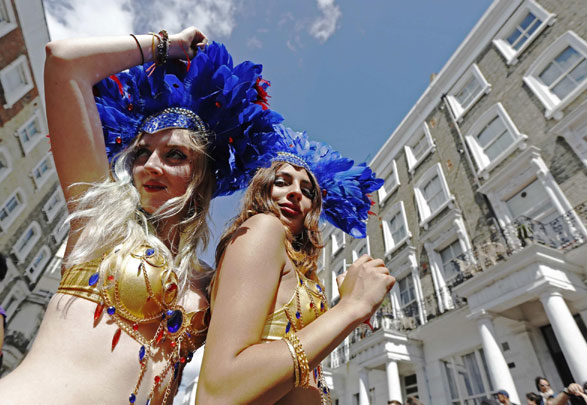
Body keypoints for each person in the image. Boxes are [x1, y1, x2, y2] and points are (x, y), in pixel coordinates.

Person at [0, 28, 283, 404]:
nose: (149, 166)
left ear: (202, 177)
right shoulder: (100, 221)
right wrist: (168, 46)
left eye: (175, 156)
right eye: (141, 153)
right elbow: (64, 62)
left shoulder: (213, 280)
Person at [197, 126, 394, 404]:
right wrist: (352, 306)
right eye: (282, 182)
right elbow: (219, 392)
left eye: (307, 190)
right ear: (262, 187)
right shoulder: (264, 229)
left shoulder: (292, 261)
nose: (295, 194)